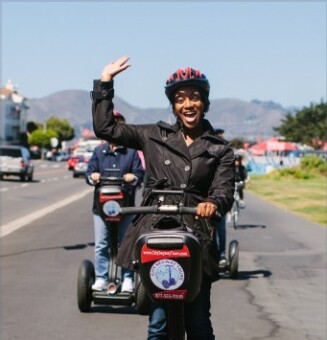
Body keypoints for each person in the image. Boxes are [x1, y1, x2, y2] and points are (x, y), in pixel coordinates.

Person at [91, 56, 235, 339]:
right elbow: (105, 129)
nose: (188, 104)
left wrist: (213, 203)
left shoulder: (220, 149)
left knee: (198, 324)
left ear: (204, 103)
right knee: (158, 325)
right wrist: (105, 82)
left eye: (194, 97)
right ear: (174, 106)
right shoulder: (153, 135)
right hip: (156, 233)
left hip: (196, 235)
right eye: (180, 99)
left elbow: (224, 190)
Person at [86, 111, 144, 292]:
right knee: (102, 244)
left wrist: (132, 177)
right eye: (113, 126)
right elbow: (89, 174)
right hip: (101, 208)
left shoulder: (131, 152)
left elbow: (139, 175)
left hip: (125, 207)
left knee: (125, 244)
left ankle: (127, 279)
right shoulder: (98, 152)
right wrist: (92, 176)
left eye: (119, 126)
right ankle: (101, 278)